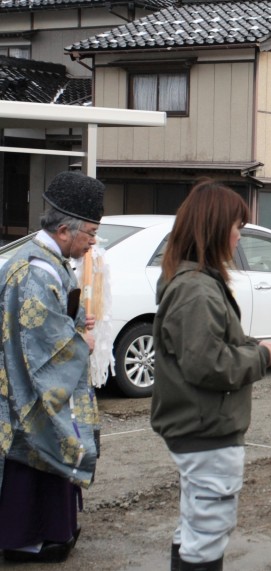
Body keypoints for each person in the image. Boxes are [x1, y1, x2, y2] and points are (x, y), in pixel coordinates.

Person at [150, 179, 271, 571]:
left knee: (196, 525)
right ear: (215, 229)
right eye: (237, 227)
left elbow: (209, 346)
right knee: (208, 532)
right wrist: (260, 357)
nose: (239, 237)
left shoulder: (191, 281)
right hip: (205, 428)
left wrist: (255, 348)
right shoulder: (197, 290)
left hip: (198, 426)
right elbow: (207, 364)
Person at [0, 171, 104, 563]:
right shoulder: (35, 271)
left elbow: (44, 325)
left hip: (22, 383)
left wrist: (75, 324)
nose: (93, 242)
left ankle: (46, 533)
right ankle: (30, 541)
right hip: (28, 392)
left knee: (41, 462)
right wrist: (81, 342)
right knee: (36, 457)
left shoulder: (41, 261)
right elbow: (41, 347)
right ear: (64, 229)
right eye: (90, 234)